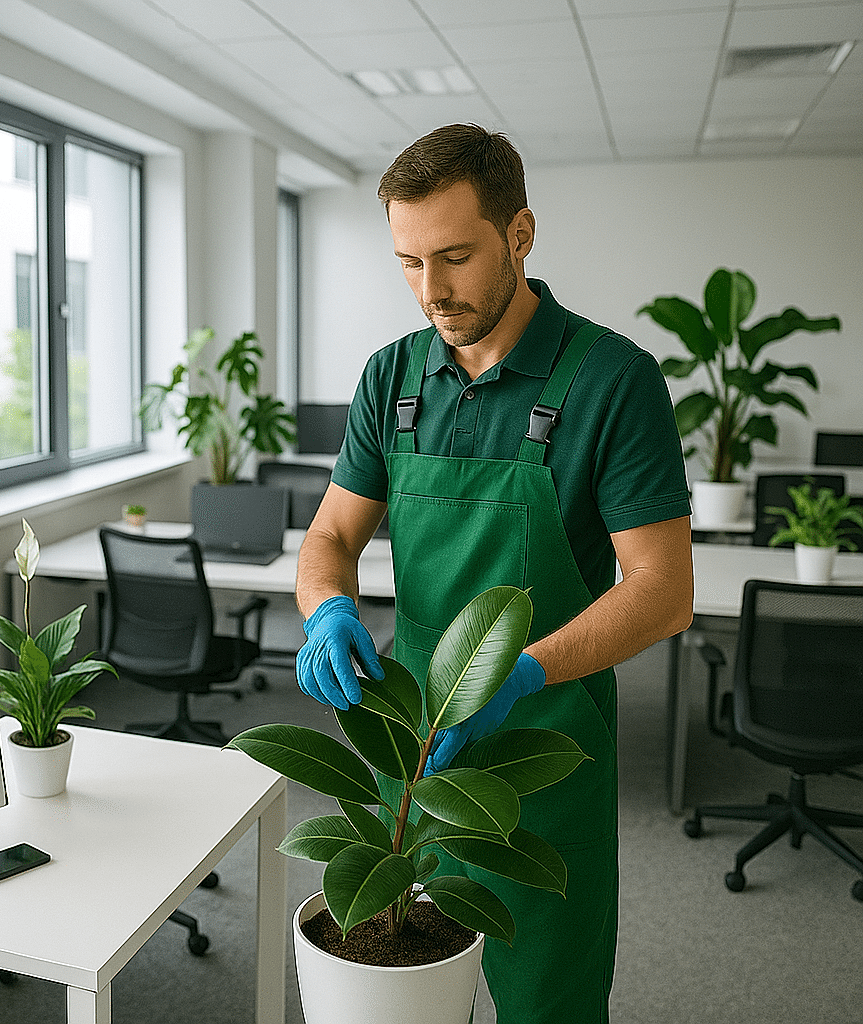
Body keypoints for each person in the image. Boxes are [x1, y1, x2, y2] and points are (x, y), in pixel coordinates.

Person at [294, 123, 693, 1023]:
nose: (431, 291)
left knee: (546, 1004)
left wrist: (520, 674)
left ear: (520, 235)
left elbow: (663, 591)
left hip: (545, 750)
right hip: (421, 752)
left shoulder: (612, 381)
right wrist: (326, 610)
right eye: (407, 262)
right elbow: (329, 539)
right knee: (390, 1000)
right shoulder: (390, 379)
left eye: (455, 256)